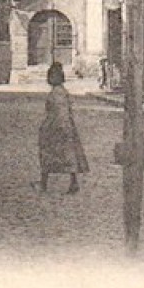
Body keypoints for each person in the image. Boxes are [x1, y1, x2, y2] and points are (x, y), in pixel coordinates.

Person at [38, 62, 89, 194]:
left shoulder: (57, 94)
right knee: (66, 157)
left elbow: (60, 112)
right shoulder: (60, 92)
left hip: (58, 128)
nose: (48, 79)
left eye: (50, 77)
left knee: (50, 156)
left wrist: (53, 127)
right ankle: (72, 182)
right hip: (62, 127)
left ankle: (45, 184)